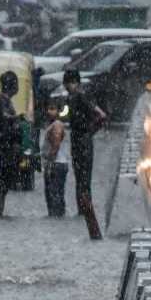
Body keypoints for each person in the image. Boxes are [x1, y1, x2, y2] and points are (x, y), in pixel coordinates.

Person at [63, 69, 107, 217]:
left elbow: (101, 115)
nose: (67, 87)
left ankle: (86, 212)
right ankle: (82, 211)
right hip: (77, 140)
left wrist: (89, 132)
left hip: (83, 141)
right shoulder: (71, 98)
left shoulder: (82, 97)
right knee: (80, 178)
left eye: (69, 83)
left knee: (83, 179)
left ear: (75, 82)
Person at [0, 70, 23, 219]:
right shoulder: (0, 100)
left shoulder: (6, 100)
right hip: (2, 149)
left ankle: (0, 213)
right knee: (0, 184)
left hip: (6, 148)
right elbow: (3, 117)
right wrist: (17, 118)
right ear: (12, 85)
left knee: (4, 184)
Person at [39, 100, 69, 218]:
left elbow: (56, 145)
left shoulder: (57, 125)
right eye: (48, 108)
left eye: (52, 109)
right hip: (56, 164)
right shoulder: (53, 125)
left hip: (56, 164)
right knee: (55, 195)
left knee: (54, 196)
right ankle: (57, 220)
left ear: (58, 111)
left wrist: (50, 163)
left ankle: (56, 218)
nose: (49, 111)